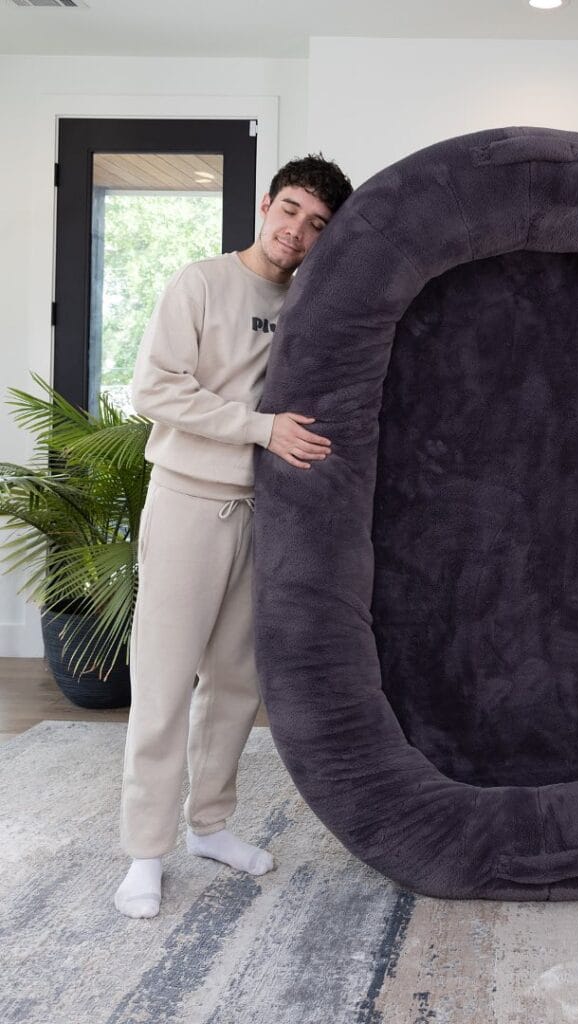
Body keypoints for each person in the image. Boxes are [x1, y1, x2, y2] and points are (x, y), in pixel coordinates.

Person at [115, 154, 353, 918]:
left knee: (234, 684)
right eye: (290, 211)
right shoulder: (202, 283)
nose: (297, 231)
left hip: (267, 512)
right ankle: (144, 853)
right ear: (265, 205)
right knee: (163, 682)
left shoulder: (312, 304)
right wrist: (260, 427)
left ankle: (209, 825)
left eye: (316, 224)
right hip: (188, 501)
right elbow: (153, 389)